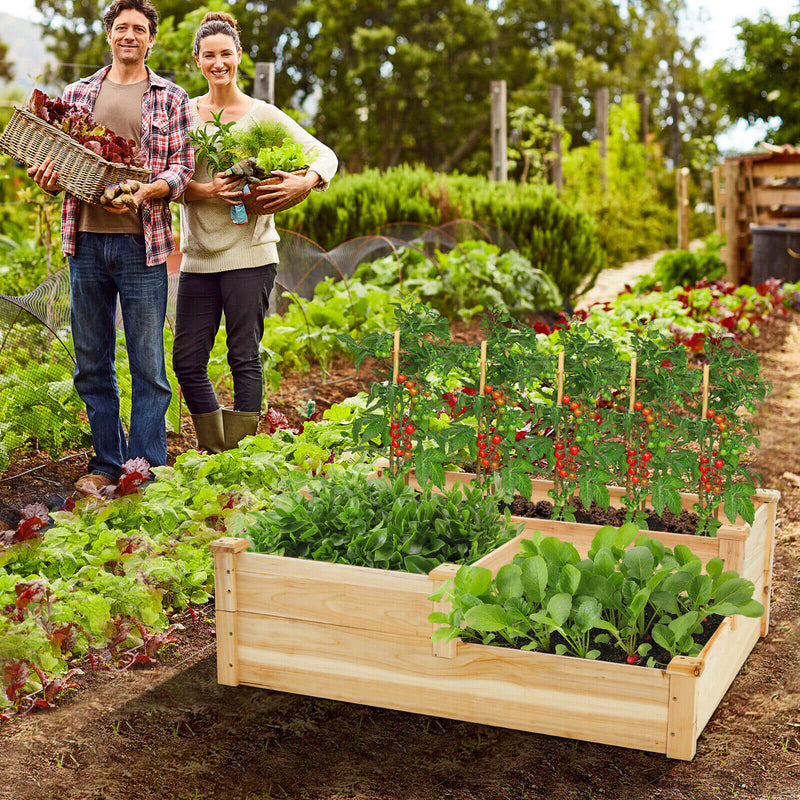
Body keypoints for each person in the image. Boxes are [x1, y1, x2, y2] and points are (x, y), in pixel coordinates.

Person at [27, 0, 193, 495]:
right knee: (92, 360)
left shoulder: (170, 96)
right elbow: (59, 163)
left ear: (151, 39)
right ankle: (105, 463)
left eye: (139, 29)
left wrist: (148, 190)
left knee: (147, 363)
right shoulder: (77, 93)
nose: (129, 36)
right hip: (86, 244)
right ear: (109, 35)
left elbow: (181, 170)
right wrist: (49, 181)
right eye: (121, 27)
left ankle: (143, 470)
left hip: (143, 246)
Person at [172, 12, 337, 453]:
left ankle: (242, 459)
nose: (218, 62)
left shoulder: (263, 115)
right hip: (198, 256)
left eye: (226, 53)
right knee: (187, 361)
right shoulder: (183, 114)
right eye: (209, 55)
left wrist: (307, 180)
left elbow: (325, 155)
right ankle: (218, 448)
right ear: (197, 60)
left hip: (252, 255)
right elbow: (166, 181)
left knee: (244, 357)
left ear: (239, 57)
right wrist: (207, 191)